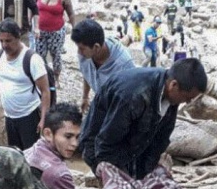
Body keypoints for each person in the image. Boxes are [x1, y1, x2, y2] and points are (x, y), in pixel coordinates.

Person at [79, 58, 207, 180]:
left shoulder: (172, 96)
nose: (188, 102)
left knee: (141, 188)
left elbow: (160, 140)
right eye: (188, 97)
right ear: (173, 85)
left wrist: (147, 174)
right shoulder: (133, 95)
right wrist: (112, 175)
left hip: (132, 145)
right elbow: (107, 142)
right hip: (100, 146)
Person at [24, 103, 105, 189]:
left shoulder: (29, 153)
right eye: (68, 136)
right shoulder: (57, 173)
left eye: (78, 137)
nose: (75, 144)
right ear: (48, 134)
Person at [0, 19, 50, 150]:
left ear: (18, 38)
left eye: (8, 41)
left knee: (32, 156)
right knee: (15, 154)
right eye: (1, 41)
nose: (4, 45)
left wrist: (44, 120)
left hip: (30, 116)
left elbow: (45, 91)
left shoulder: (32, 59)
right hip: (9, 117)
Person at [70, 19, 135, 113]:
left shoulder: (124, 66)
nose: (79, 52)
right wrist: (85, 97)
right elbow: (87, 72)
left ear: (96, 47)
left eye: (81, 48)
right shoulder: (85, 54)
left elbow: (130, 100)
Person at [35, 0, 75, 87]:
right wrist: (31, 21)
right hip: (40, 31)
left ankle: (56, 78)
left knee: (56, 55)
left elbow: (71, 14)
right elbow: (31, 5)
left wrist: (74, 29)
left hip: (56, 32)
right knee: (40, 55)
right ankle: (44, 77)